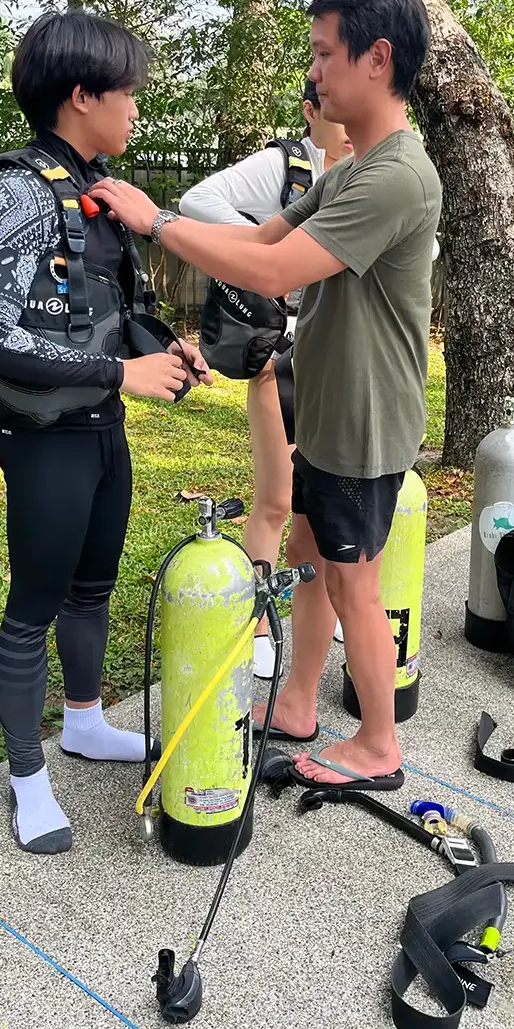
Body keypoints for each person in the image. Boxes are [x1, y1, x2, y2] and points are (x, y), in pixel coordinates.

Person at [89, 0, 441, 790]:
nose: (313, 73)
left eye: (324, 54)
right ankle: (295, 708)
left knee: (353, 576)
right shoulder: (353, 168)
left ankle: (379, 747)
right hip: (326, 406)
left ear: (377, 58)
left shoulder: (397, 176)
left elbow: (276, 264)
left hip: (364, 416)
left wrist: (158, 221)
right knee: (314, 553)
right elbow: (271, 245)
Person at [0, 10, 210, 853]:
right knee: (34, 603)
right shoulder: (20, 189)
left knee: (92, 585)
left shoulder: (97, 190)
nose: (137, 107)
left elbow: (109, 311)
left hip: (104, 431)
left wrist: (164, 353)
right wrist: (117, 374)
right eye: (127, 91)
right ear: (80, 94)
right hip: (46, 437)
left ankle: (86, 721)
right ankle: (28, 778)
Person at [178, 80, 354, 679]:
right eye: (328, 104)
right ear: (311, 110)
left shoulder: (374, 168)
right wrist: (268, 247)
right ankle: (255, 623)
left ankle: (320, 613)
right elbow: (198, 200)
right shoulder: (285, 164)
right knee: (277, 499)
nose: (343, 116)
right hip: (279, 350)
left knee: (326, 506)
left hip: (343, 356)